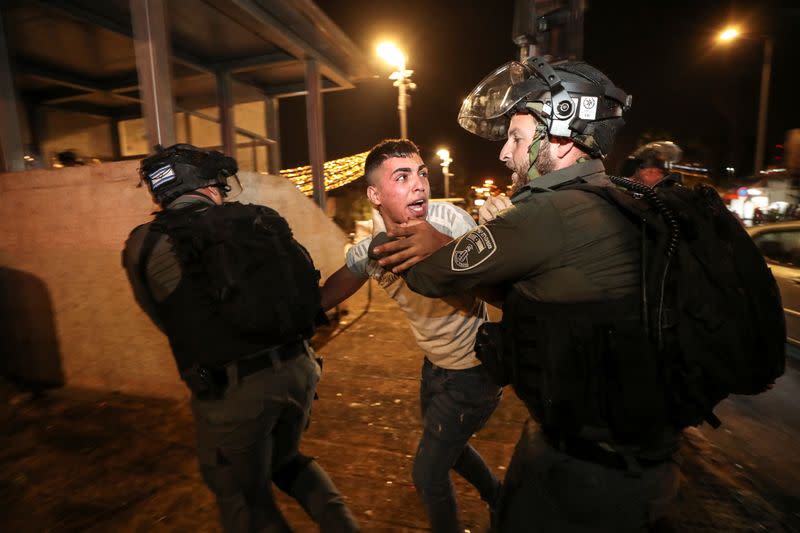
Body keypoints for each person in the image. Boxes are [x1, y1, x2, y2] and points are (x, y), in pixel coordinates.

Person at [373, 58, 683, 532]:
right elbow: (526, 297)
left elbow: (433, 276)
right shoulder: (607, 194)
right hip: (629, 457)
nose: (503, 154)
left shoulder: (548, 214)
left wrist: (434, 245)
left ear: (558, 138)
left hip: (588, 476)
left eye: (516, 138)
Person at [122, 144, 358, 533]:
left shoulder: (144, 244)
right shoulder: (261, 221)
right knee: (288, 461)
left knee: (243, 498)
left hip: (233, 390)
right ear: (212, 187)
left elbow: (167, 319)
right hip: (300, 370)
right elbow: (303, 290)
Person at [320, 139, 503, 533]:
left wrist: (441, 250)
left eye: (421, 173)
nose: (419, 184)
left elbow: (496, 287)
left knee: (427, 474)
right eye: (402, 177)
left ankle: (498, 502)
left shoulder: (451, 222)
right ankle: (501, 499)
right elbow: (327, 295)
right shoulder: (372, 251)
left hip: (474, 370)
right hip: (433, 368)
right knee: (449, 454)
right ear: (375, 195)